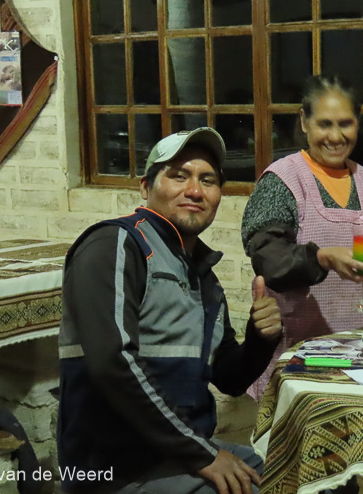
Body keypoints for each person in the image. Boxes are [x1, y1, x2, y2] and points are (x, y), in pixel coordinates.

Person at [58, 128, 282, 494]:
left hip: (178, 455)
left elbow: (229, 378)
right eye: (179, 176)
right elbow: (112, 364)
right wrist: (202, 455)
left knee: (293, 474)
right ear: (145, 187)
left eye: (207, 180)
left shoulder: (202, 275)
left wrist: (261, 339)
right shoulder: (115, 245)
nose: (195, 191)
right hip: (113, 469)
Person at [241, 75, 363, 399]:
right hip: (299, 359)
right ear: (304, 122)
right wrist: (321, 258)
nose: (335, 136)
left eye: (345, 124)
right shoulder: (284, 180)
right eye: (324, 124)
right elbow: (268, 257)